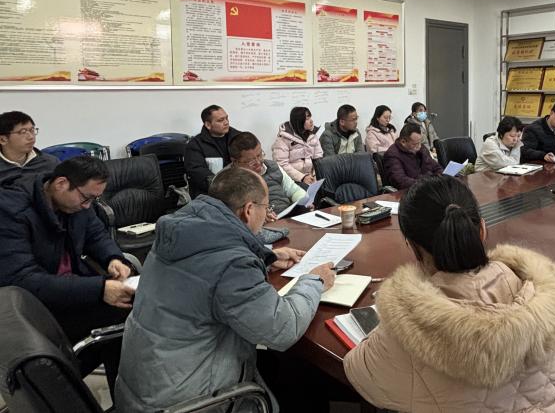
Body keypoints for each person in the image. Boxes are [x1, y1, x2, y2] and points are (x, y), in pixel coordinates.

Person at [344, 175, 555, 412]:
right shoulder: (545, 296)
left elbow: (358, 371)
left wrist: (398, 311)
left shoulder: (412, 327)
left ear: (412, 246)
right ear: (482, 229)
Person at [116, 167, 336, 413]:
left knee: (285, 368)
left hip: (143, 388)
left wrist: (265, 257)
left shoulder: (178, 232)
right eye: (266, 207)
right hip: (188, 402)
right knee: (305, 381)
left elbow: (204, 272)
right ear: (249, 210)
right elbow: (283, 329)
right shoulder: (232, 266)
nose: (267, 214)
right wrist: (314, 281)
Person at [0, 156, 135, 391]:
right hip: (33, 307)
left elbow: (96, 235)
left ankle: (118, 391)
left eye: (94, 200)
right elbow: (23, 281)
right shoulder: (11, 211)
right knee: (121, 319)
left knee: (128, 308)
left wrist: (113, 258)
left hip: (67, 288)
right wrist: (100, 289)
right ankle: (57, 388)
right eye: (86, 198)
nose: (88, 206)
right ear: (61, 183)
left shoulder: (76, 203)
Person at [227, 131, 307, 215]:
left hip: (288, 213)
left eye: (259, 155)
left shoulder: (272, 166)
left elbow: (293, 190)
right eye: (251, 161)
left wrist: (304, 201)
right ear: (235, 161)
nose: (258, 162)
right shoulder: (228, 181)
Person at [184, 105, 241, 197]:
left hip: (240, 188)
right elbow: (198, 173)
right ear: (208, 125)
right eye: (220, 120)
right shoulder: (195, 145)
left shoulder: (239, 137)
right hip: (210, 194)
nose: (226, 122)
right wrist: (223, 187)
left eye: (226, 118)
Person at [0, 110, 59, 183]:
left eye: (32, 130)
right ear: (3, 140)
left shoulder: (50, 163)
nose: (31, 137)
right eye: (23, 132)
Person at [271, 106, 323, 185]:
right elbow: (281, 164)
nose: (311, 121)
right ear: (299, 121)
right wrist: (302, 177)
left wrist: (316, 174)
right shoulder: (283, 139)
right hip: (294, 179)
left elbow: (318, 157)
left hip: (311, 176)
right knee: (308, 191)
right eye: (307, 119)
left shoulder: (312, 135)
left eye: (310, 117)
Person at [383, 123, 443, 190]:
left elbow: (436, 167)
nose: (419, 146)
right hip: (412, 191)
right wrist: (426, 184)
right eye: (415, 144)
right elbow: (400, 180)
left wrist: (441, 178)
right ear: (403, 142)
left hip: (429, 187)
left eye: (420, 142)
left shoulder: (421, 149)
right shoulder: (392, 155)